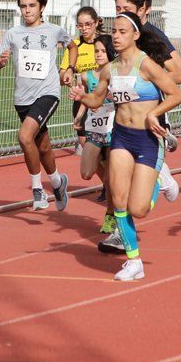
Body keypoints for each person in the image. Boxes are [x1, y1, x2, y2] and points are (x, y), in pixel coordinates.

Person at [70, 11, 181, 280]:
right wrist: (82, 96)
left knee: (139, 209)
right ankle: (134, 262)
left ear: (135, 35)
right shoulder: (109, 68)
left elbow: (176, 93)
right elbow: (98, 101)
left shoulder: (146, 66)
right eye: (114, 32)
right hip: (120, 137)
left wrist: (154, 114)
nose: (117, 36)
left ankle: (161, 182)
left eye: (123, 32)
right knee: (118, 200)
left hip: (146, 139)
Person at [0, 0, 76, 211]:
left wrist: (69, 69)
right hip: (22, 98)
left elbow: (72, 46)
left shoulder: (54, 30)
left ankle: (38, 190)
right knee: (43, 146)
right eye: (23, 7)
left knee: (25, 136)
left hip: (48, 92)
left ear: (42, 7)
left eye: (31, 6)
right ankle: (58, 183)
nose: (27, 11)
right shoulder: (12, 34)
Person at [111, 0, 181, 201]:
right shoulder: (119, 35)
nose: (121, 12)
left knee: (133, 172)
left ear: (142, 10)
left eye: (126, 8)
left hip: (151, 109)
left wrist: (146, 80)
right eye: (118, 8)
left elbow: (179, 71)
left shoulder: (152, 36)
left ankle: (161, 180)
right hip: (123, 114)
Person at [73, 39, 118, 233]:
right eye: (96, 51)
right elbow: (88, 98)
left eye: (102, 51)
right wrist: (80, 114)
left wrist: (114, 97)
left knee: (111, 181)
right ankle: (110, 173)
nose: (98, 54)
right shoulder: (88, 76)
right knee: (86, 173)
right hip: (95, 130)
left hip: (114, 130)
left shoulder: (117, 74)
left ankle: (111, 217)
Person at [60, 7, 108, 156]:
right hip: (83, 100)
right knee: (88, 149)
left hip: (107, 101)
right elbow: (63, 75)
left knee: (109, 147)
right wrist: (68, 76)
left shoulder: (106, 43)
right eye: (80, 25)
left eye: (88, 24)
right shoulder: (74, 46)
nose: (84, 28)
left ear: (96, 23)